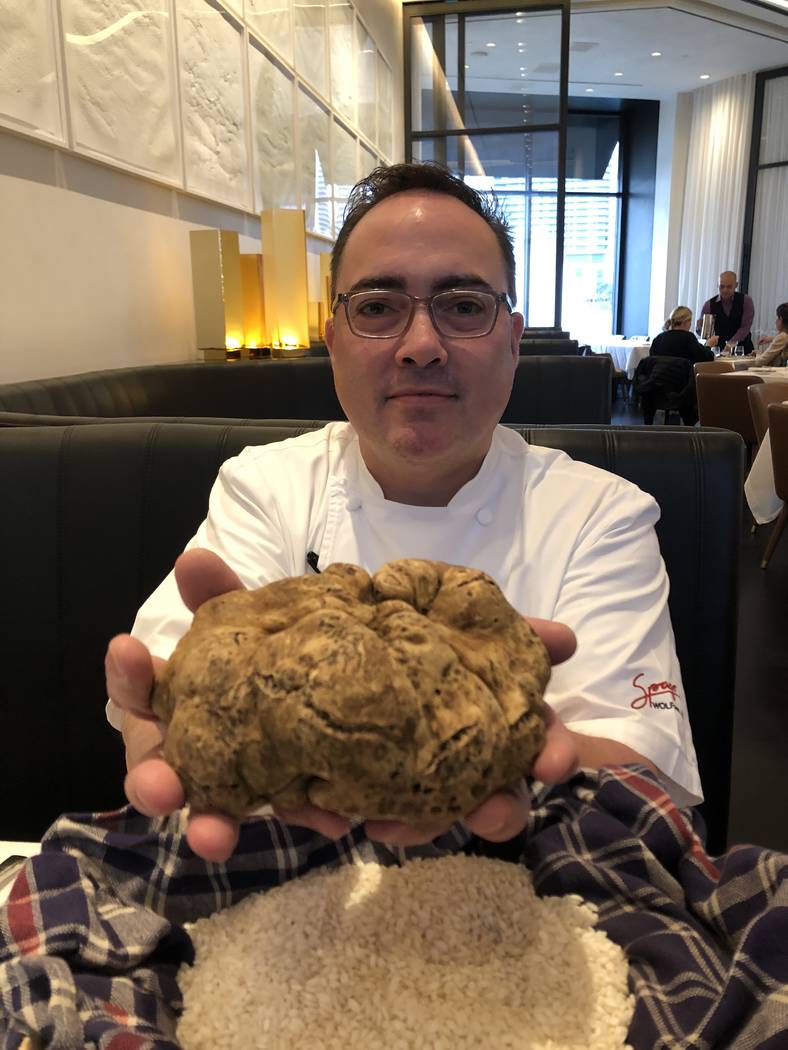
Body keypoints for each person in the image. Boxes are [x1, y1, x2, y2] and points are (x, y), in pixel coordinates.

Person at [105, 163, 701, 862]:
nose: (421, 345)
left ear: (513, 341)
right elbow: (170, 686)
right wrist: (166, 738)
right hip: (286, 876)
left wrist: (490, 757)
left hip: (531, 874)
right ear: (333, 342)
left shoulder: (600, 514)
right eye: (379, 307)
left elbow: (641, 764)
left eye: (463, 305)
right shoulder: (264, 485)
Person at [698, 271, 755, 353]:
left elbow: (745, 327)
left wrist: (730, 344)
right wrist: (699, 329)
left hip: (742, 349)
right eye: (722, 286)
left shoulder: (746, 301)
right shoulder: (709, 305)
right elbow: (704, 332)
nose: (725, 290)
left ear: (736, 285)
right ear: (718, 285)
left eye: (729, 287)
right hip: (718, 350)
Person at [650, 306, 717, 364]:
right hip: (681, 378)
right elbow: (706, 358)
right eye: (690, 321)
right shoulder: (688, 338)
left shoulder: (658, 339)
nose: (690, 324)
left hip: (657, 377)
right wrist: (709, 346)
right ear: (685, 322)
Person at [746, 302, 788, 367]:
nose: (776, 321)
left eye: (778, 318)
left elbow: (760, 362)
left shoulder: (782, 337)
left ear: (781, 319)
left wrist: (758, 355)